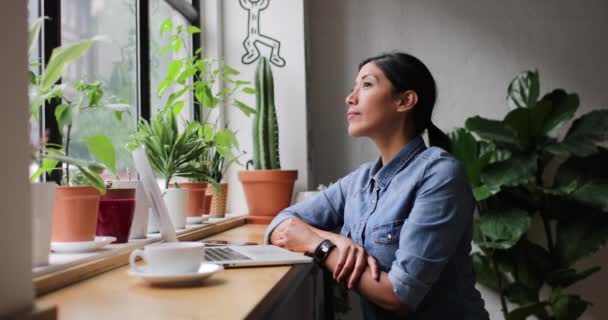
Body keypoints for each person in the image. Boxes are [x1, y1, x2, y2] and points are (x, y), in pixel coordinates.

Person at [265, 52, 489, 319]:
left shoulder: (440, 174)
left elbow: (398, 295)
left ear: (405, 100)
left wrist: (320, 247)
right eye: (353, 88)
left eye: (367, 85)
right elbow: (281, 223)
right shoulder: (359, 182)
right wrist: (336, 240)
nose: (351, 98)